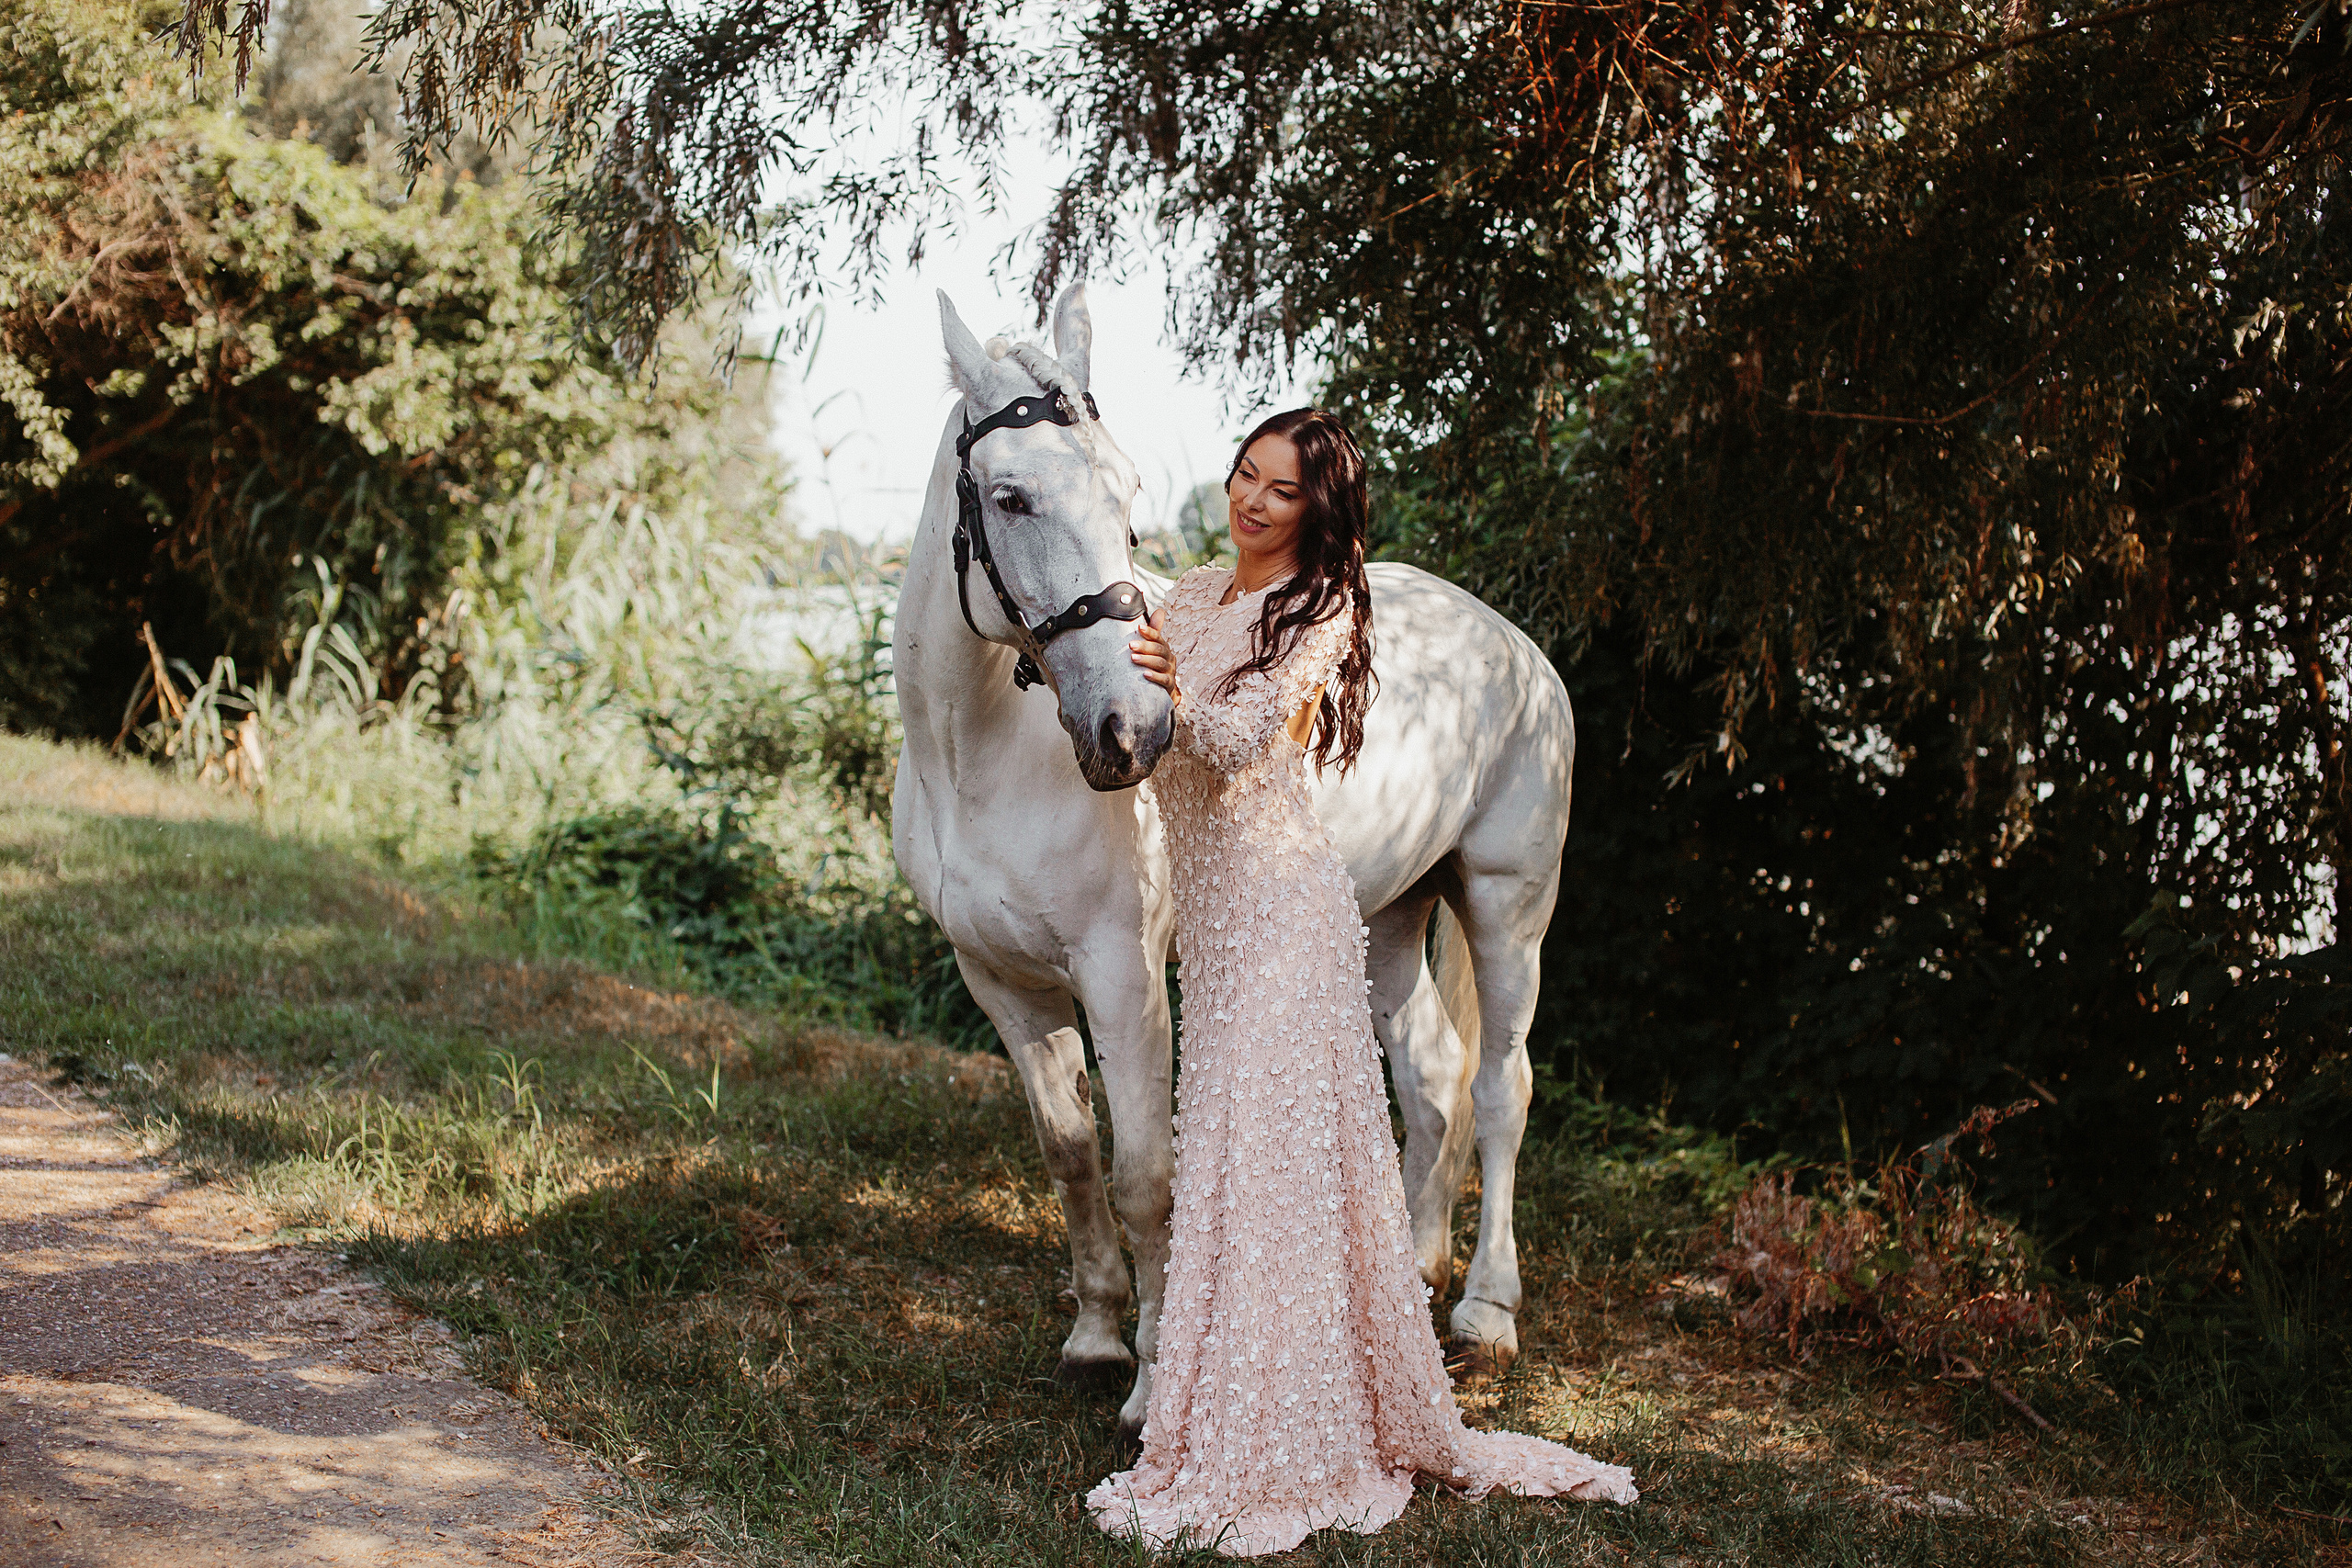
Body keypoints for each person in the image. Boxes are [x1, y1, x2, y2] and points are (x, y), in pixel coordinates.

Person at [1091, 409, 1636, 1557]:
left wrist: (1172, 696)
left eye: (1281, 490)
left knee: (1279, 1161)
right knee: (1234, 1156)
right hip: (1219, 932)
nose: (1251, 499)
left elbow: (1241, 745)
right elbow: (1111, 617)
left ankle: (1295, 1426)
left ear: (1315, 511)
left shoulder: (1323, 612)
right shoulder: (1191, 594)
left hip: (1285, 921)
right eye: (1244, 474)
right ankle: (1224, 1398)